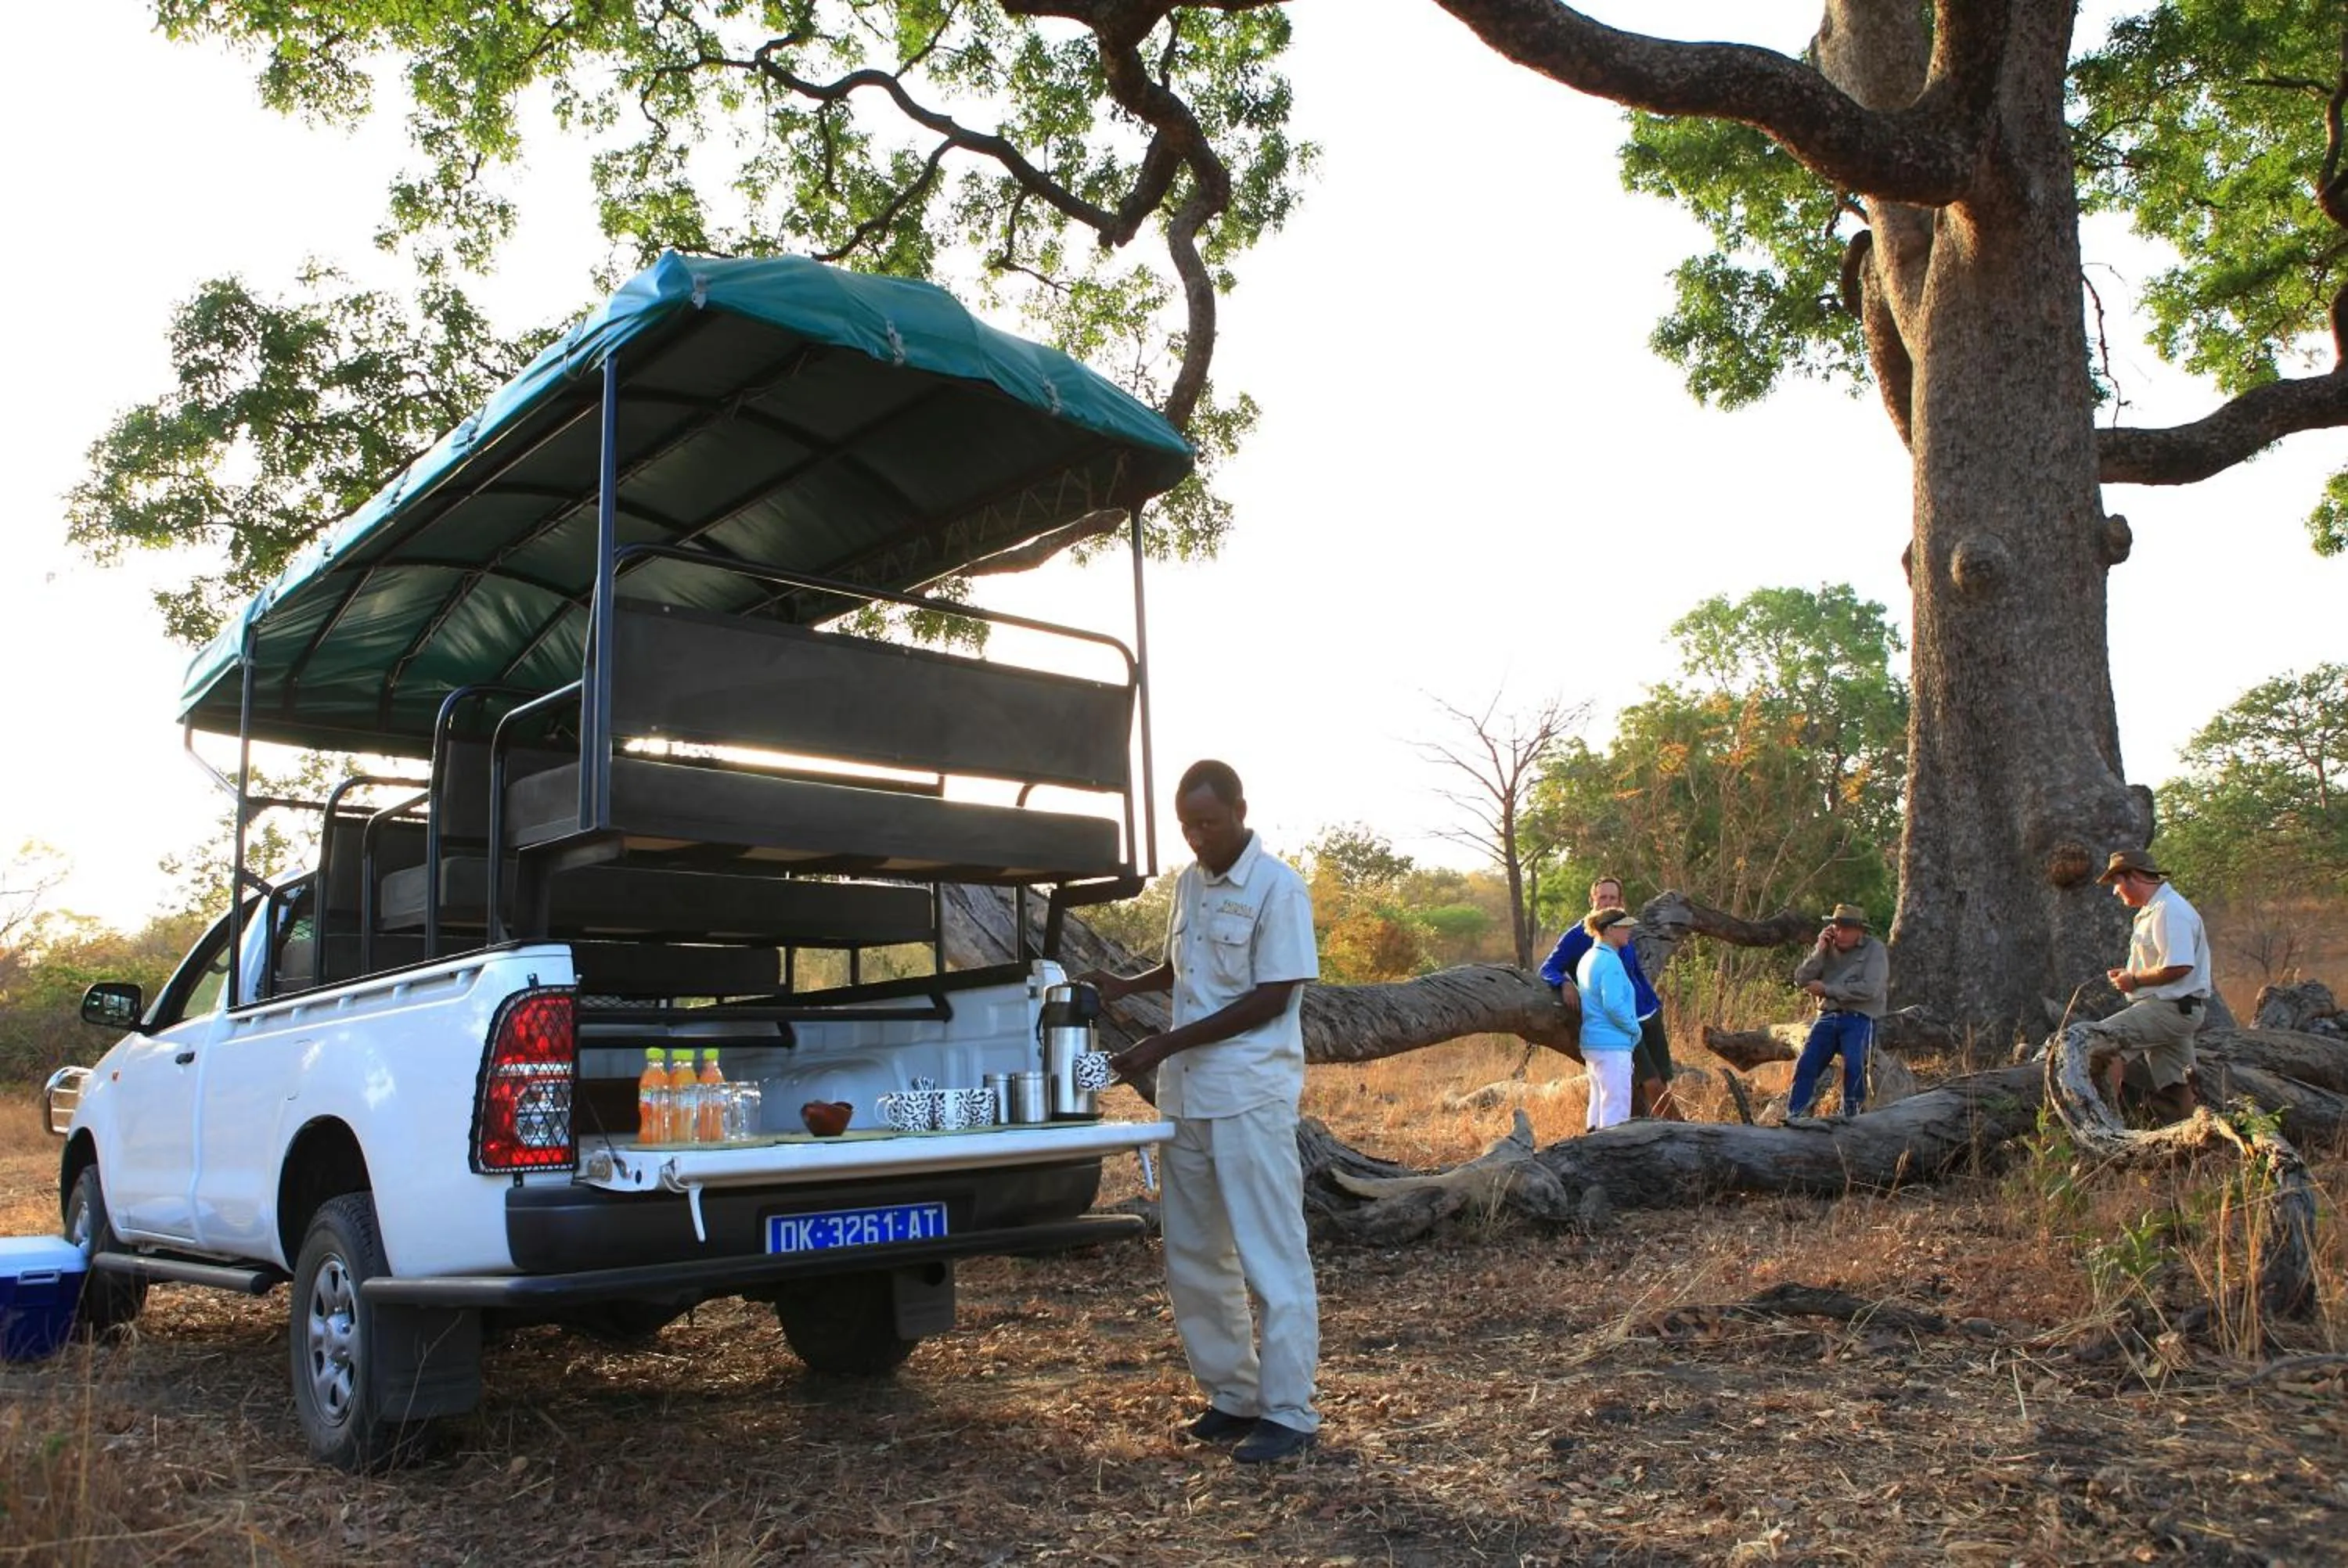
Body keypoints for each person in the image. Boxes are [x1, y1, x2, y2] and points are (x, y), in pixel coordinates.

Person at [1080, 760, 1322, 1464]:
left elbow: (1272, 995)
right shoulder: (1189, 882)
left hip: (1248, 1093)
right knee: (1195, 1253)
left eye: (1209, 823)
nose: (1197, 837)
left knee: (1270, 1252)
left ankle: (1288, 1411)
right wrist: (1127, 986)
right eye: (1187, 825)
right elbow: (1183, 967)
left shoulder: (1279, 888)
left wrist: (1165, 1042)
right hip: (1188, 1095)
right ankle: (1233, 1395)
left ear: (1242, 810)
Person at [2072, 847, 2210, 1123]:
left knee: (2101, 1045)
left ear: (2133, 877)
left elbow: (2179, 966)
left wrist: (2133, 980)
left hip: (2170, 1009)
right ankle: (2195, 1143)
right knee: (2178, 1082)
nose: (2115, 892)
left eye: (2116, 883)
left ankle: (2105, 1127)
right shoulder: (2156, 909)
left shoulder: (2169, 911)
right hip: (2172, 1008)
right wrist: (2131, 975)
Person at [1536, 876, 1683, 1119]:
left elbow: (1635, 972)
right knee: (1650, 1082)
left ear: (1620, 901)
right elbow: (1548, 968)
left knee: (1662, 1078)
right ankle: (1680, 1130)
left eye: (1612, 898)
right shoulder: (1578, 937)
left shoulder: (1622, 929)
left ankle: (1653, 1127)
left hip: (1648, 1013)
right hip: (1621, 1023)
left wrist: (1654, 1004)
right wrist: (1564, 984)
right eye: (1602, 897)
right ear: (1592, 899)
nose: (1607, 902)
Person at [1786, 903, 1889, 1120]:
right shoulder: (1827, 948)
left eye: (1845, 928)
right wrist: (1819, 950)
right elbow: (1801, 979)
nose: (1839, 933)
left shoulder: (1874, 950)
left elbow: (1870, 989)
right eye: (1836, 927)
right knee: (1807, 1063)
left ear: (1859, 931)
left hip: (1860, 1017)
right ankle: (1796, 1114)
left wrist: (1827, 989)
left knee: (1854, 1064)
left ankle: (1851, 1116)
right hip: (1828, 1015)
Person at [1574, 907, 1643, 1129]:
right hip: (1612, 1045)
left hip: (1594, 1043)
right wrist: (1634, 1028)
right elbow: (1613, 1005)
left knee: (1598, 1104)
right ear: (1610, 929)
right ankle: (1614, 1158)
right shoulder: (1610, 962)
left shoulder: (1588, 957)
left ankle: (1593, 1151)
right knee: (1616, 1110)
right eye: (1625, 927)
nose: (1629, 931)